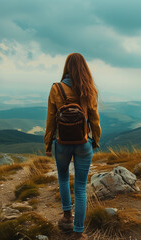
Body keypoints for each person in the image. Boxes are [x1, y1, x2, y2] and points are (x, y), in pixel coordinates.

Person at [44, 53, 101, 240]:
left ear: (67, 68)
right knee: (81, 188)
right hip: (83, 143)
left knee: (62, 178)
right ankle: (78, 233)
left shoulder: (56, 89)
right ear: (84, 68)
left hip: (62, 144)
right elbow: (94, 119)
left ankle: (67, 217)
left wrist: (47, 144)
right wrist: (96, 140)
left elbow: (51, 120)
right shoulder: (89, 89)